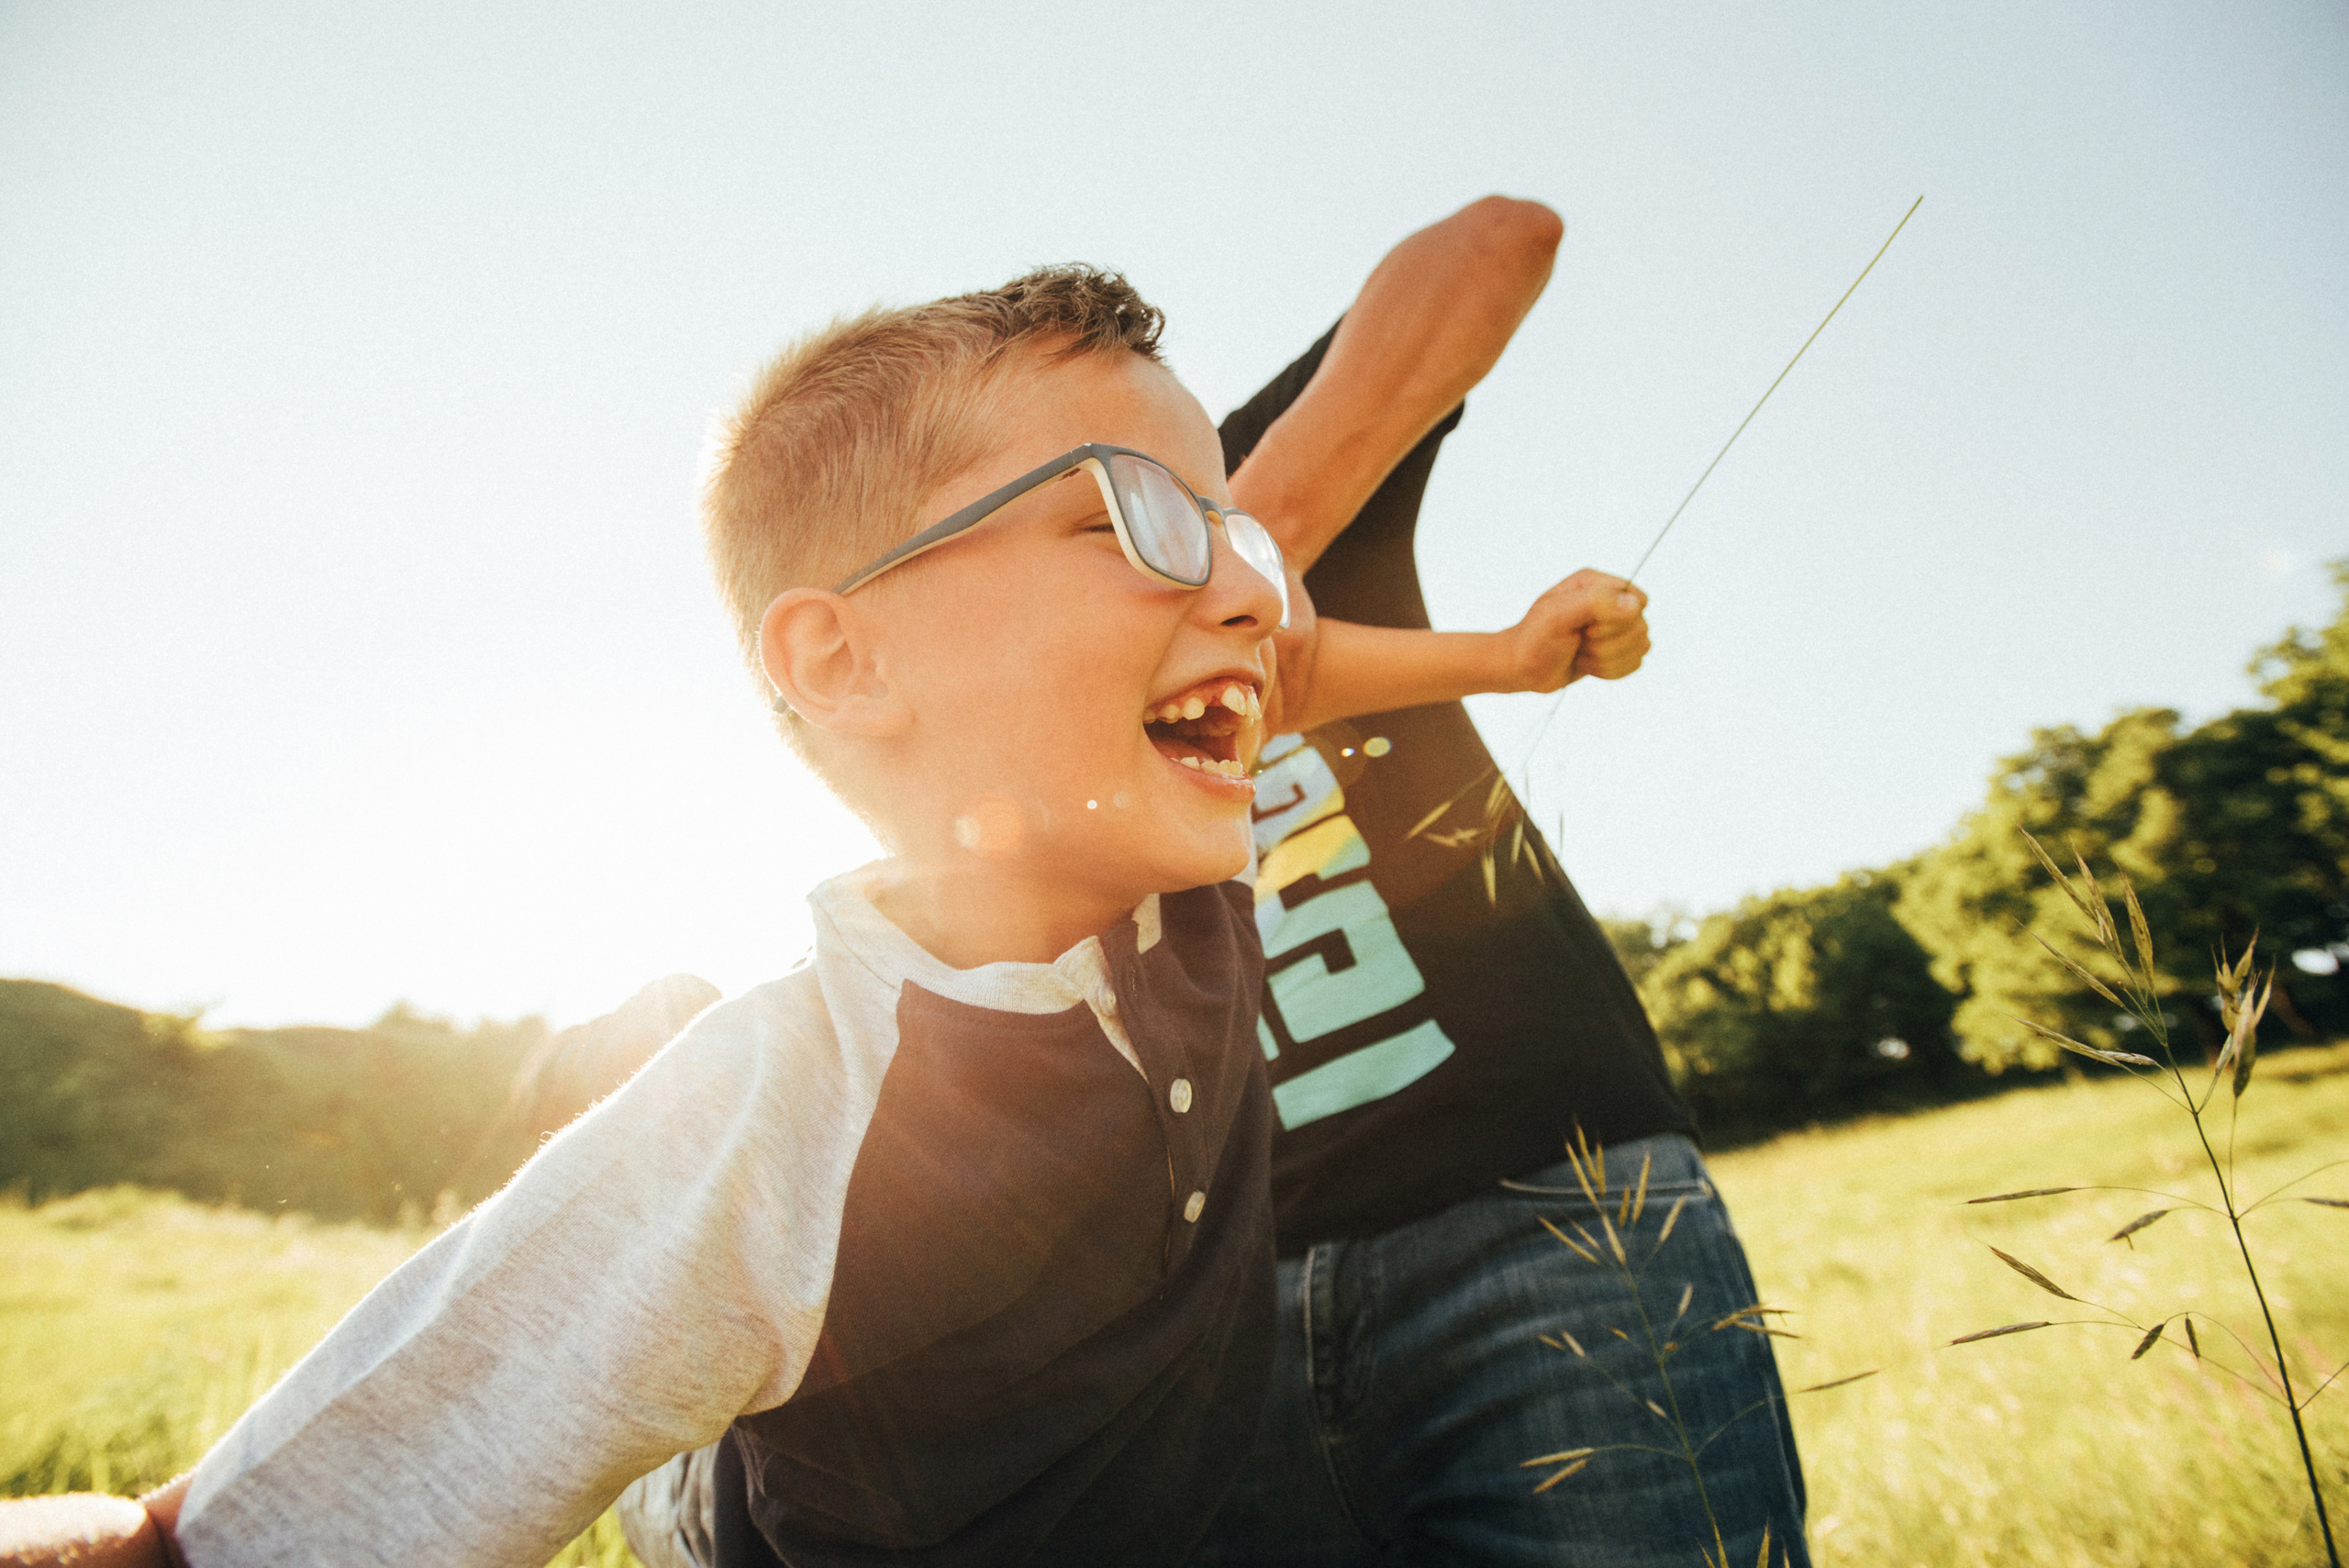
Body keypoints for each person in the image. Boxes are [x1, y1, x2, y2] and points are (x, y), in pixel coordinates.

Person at [0, 266, 1638, 1568]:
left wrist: (1508, 656)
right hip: (795, 1521)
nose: (1246, 590)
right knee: (689, 1434)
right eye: (1132, 517)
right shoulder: (794, 1106)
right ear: (844, 661)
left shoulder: (1163, 882)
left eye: (1235, 533)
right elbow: (273, 1521)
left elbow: (1293, 662)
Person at [1190, 198, 1811, 1566]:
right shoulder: (1003, 643)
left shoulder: (1234, 481)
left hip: (1544, 1218)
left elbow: (1500, 242)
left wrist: (1249, 541)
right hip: (1211, 1331)